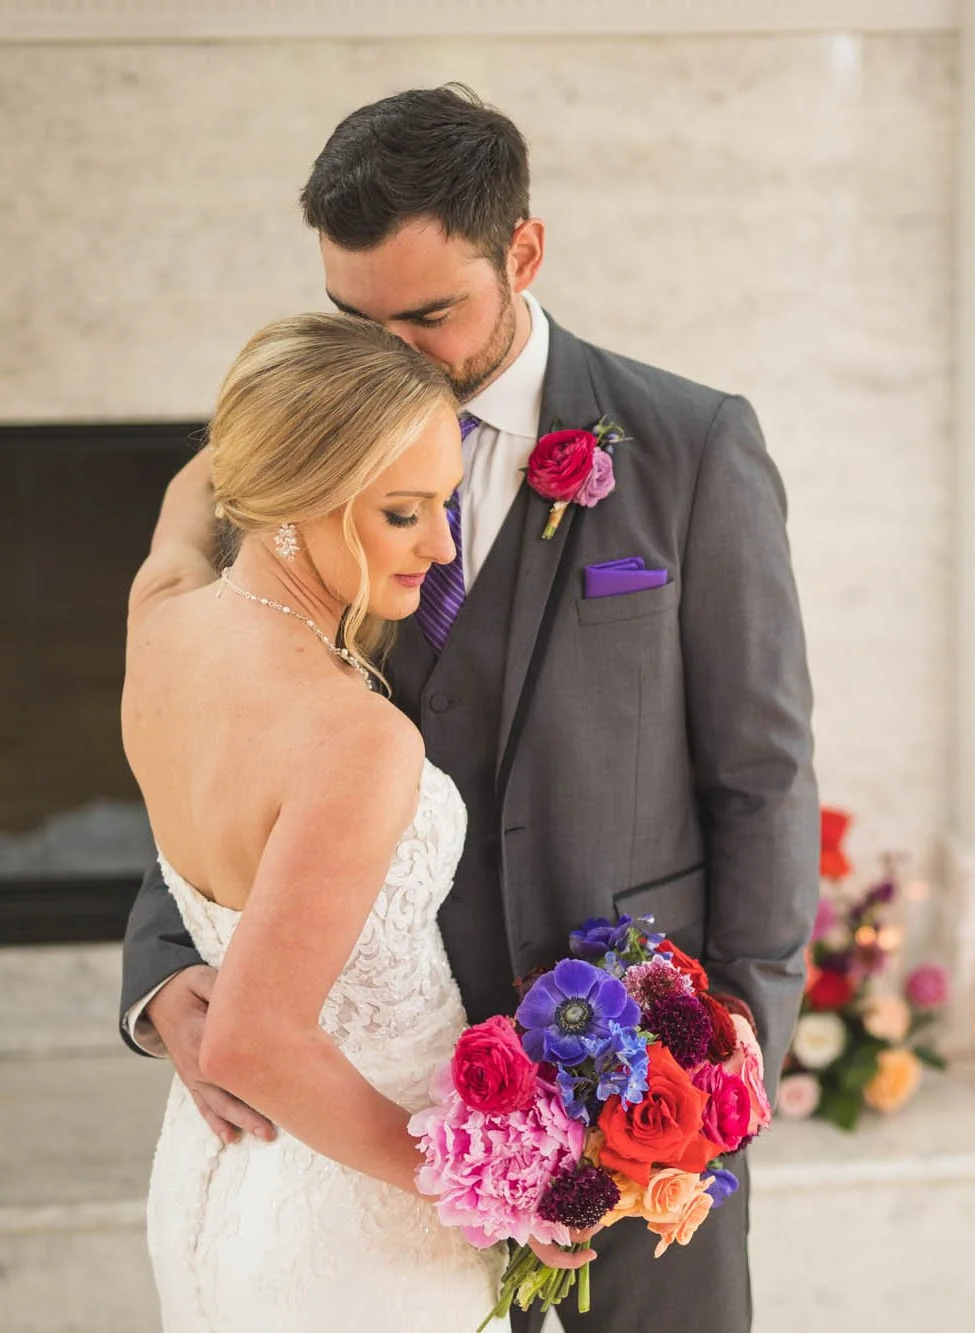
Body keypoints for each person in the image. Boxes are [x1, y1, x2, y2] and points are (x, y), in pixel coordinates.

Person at [121, 85, 819, 1333]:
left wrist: (727, 1052)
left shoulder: (692, 447)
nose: (387, 356)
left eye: (429, 314)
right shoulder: (296, 456)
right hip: (356, 1118)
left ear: (523, 253)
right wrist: (172, 963)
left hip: (626, 1085)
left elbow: (760, 775)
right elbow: (213, 731)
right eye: (354, 317)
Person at [128, 313, 581, 1328]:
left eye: (444, 501)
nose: (444, 541)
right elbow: (250, 1040)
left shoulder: (159, 613)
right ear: (302, 498)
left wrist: (322, 400)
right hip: (362, 1234)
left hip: (213, 1178)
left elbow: (184, 501)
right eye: (403, 512)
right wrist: (493, 1192)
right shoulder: (355, 739)